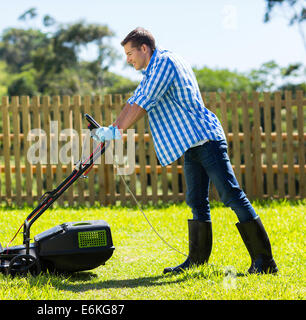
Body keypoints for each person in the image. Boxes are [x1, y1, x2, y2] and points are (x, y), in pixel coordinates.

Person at [93, 27, 278, 275]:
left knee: (231, 195)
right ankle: (197, 261)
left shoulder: (165, 63)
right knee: (196, 201)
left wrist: (116, 131)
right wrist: (113, 128)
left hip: (206, 139)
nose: (128, 59)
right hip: (190, 143)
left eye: (129, 53)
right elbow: (133, 100)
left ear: (144, 48)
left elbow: (143, 102)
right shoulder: (151, 71)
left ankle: (265, 263)